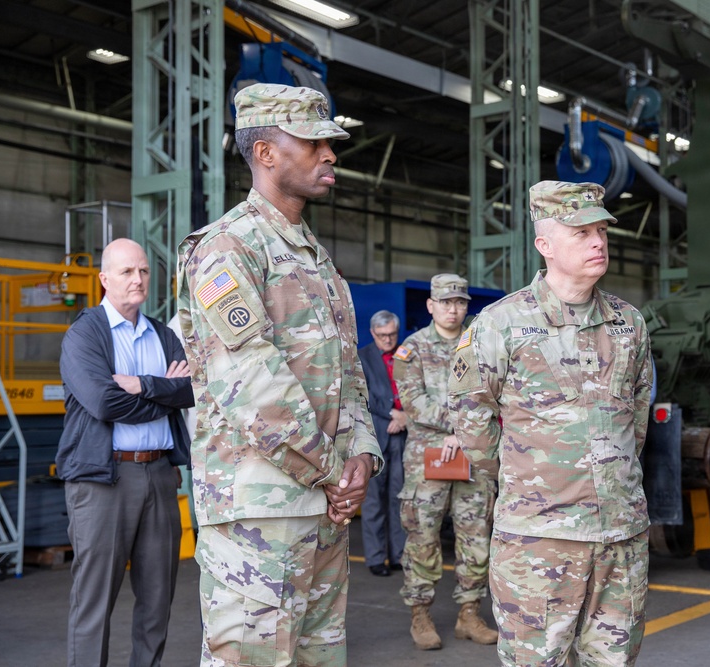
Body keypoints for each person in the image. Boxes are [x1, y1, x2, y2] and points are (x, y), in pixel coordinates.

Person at [176, 83, 383, 667]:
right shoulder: (227, 249)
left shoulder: (316, 259)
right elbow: (251, 384)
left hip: (320, 508)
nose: (329, 154)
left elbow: (351, 374)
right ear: (266, 153)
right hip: (259, 512)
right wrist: (333, 473)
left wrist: (362, 455)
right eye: (313, 141)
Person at [449, 182, 653, 666]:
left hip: (619, 536)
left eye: (601, 230)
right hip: (539, 541)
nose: (598, 241)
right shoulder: (501, 323)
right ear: (545, 245)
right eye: (581, 232)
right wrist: (529, 483)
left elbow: (637, 416)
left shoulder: (630, 323)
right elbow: (472, 418)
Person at [56, 237, 193, 667]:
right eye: (127, 272)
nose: (138, 280)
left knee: (157, 599)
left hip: (159, 476)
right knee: (94, 601)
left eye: (144, 271)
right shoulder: (84, 334)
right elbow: (103, 402)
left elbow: (191, 390)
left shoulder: (164, 334)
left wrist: (144, 384)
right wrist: (164, 393)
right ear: (104, 279)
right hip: (103, 480)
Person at [392, 273, 499, 650]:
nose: (454, 309)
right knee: (422, 537)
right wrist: (457, 426)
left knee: (477, 537)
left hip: (473, 455)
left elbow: (494, 393)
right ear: (431, 306)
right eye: (446, 302)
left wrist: (464, 433)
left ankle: (469, 613)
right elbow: (413, 402)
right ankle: (420, 614)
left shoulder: (482, 344)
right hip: (428, 458)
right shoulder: (413, 348)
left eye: (460, 302)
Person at [357, 310, 408, 576]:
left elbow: (416, 389)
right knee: (375, 500)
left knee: (400, 498)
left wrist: (406, 416)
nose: (388, 340)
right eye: (382, 335)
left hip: (403, 435)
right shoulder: (362, 357)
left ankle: (398, 554)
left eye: (392, 335)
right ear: (373, 333)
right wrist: (392, 414)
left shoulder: (407, 355)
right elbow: (360, 396)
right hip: (375, 436)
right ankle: (376, 557)